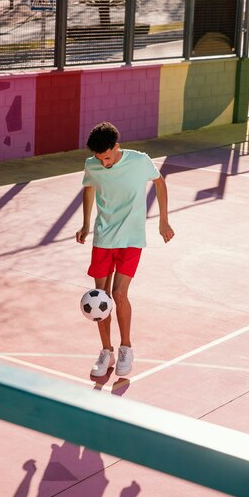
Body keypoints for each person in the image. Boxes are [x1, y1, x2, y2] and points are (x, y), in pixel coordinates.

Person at [76, 121, 174, 378]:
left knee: (119, 294)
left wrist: (163, 220)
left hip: (131, 238)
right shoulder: (92, 165)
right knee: (101, 296)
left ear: (116, 147)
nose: (104, 163)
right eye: (100, 158)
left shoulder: (139, 161)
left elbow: (160, 183)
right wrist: (86, 224)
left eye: (107, 157)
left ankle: (126, 348)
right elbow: (88, 188)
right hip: (103, 239)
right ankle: (105, 351)